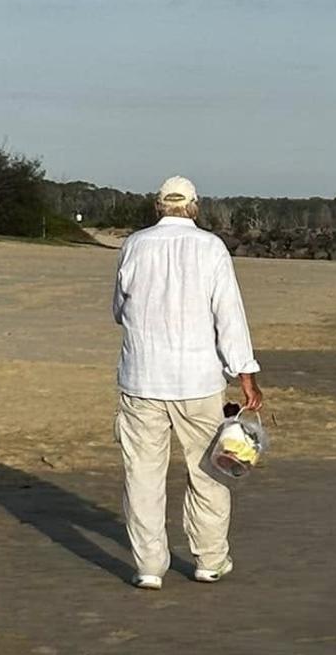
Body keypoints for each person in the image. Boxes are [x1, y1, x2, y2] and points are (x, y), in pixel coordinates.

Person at [111, 175, 263, 590]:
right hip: (198, 381)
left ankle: (148, 566)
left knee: (142, 476)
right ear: (194, 208)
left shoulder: (135, 245)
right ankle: (210, 559)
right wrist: (246, 375)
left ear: (159, 206)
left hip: (142, 378)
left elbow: (119, 310)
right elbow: (229, 316)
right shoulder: (211, 247)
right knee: (210, 471)